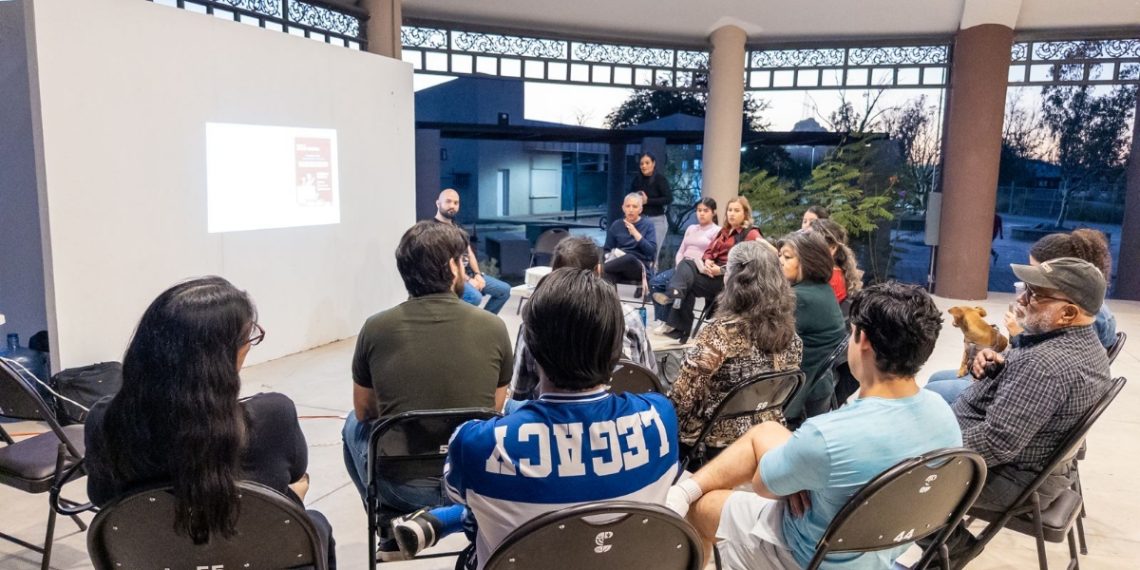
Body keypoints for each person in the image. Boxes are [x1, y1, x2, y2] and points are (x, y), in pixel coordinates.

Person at [391, 269, 680, 566]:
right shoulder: (662, 417)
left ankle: (442, 521)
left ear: (531, 348)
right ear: (615, 348)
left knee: (486, 506)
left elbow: (460, 495)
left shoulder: (477, 443)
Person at [666, 282, 961, 570]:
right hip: (879, 545)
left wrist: (796, 476)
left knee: (702, 508)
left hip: (805, 555)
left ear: (864, 341)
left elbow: (763, 487)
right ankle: (687, 488)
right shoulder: (943, 414)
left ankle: (688, 495)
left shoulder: (827, 435)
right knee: (766, 431)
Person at [84, 277, 337, 568]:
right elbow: (295, 476)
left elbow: (103, 499)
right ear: (223, 356)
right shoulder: (273, 415)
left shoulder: (105, 421)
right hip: (255, 557)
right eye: (249, 338)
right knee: (313, 522)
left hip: (160, 559)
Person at [342, 221, 512, 559]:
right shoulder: (493, 327)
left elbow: (365, 412)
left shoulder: (376, 328)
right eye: (462, 262)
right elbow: (494, 410)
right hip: (473, 480)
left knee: (350, 423)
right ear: (450, 266)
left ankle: (387, 521)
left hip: (400, 486)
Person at [935, 257, 1111, 565]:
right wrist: (1000, 366)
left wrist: (923, 454)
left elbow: (994, 444)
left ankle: (953, 546)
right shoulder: (1084, 344)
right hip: (1038, 471)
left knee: (886, 474)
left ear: (1068, 312)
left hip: (1012, 480)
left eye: (1034, 294)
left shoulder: (1046, 365)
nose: (1021, 299)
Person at [924, 228, 1118, 404]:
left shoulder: (1084, 321)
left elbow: (1050, 369)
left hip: (1023, 390)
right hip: (1017, 376)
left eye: (1036, 279)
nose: (1028, 287)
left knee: (933, 391)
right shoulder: (1087, 312)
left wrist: (1018, 332)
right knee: (935, 379)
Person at [669, 241, 802, 465]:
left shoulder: (720, 333)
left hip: (713, 445)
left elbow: (683, 397)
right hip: (765, 435)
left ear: (735, 279)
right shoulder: (793, 338)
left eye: (726, 270)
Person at [506, 236, 657, 411]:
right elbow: (650, 380)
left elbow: (519, 392)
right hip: (625, 414)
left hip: (552, 420)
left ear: (553, 273)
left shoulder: (535, 320)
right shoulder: (629, 317)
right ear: (598, 270)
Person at [653, 196, 763, 343]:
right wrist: (709, 261)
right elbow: (709, 252)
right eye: (730, 210)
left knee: (686, 281)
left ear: (745, 213)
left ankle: (675, 303)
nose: (731, 213)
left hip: (729, 281)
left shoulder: (750, 233)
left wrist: (722, 270)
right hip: (712, 275)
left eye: (736, 210)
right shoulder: (724, 232)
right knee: (687, 264)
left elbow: (755, 260)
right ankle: (678, 305)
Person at [775, 231, 847, 425]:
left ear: (808, 261)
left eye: (787, 257)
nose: (780, 261)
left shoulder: (800, 298)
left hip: (795, 397)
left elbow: (766, 344)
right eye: (779, 255)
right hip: (818, 389)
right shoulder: (822, 289)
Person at [433, 188, 511, 315]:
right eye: (448, 201)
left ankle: (484, 322)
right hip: (452, 278)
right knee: (475, 297)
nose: (452, 206)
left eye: (456, 203)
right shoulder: (433, 230)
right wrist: (469, 280)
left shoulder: (458, 227)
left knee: (504, 290)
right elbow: (450, 263)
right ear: (438, 203)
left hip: (469, 274)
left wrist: (477, 274)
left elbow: (469, 253)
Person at [650, 198, 720, 326]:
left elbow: (712, 254)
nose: (702, 213)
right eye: (699, 210)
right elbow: (681, 250)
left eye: (705, 210)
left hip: (696, 269)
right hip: (682, 266)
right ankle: (664, 319)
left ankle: (671, 315)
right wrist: (678, 265)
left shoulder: (716, 231)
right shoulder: (691, 228)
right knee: (655, 282)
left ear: (713, 212)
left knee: (675, 285)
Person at [602, 192, 658, 286]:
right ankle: (610, 299)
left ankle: (598, 269)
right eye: (628, 206)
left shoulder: (648, 225)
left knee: (629, 258)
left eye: (634, 207)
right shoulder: (617, 225)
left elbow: (651, 251)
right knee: (607, 277)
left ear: (640, 210)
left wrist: (636, 234)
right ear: (623, 208)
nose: (631, 210)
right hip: (618, 265)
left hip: (639, 266)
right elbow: (607, 249)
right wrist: (608, 256)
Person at [808, 218, 862, 306]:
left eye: (812, 244)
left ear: (833, 248)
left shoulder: (830, 278)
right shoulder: (832, 273)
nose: (805, 248)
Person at [630, 151, 673, 262]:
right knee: (638, 251)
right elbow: (630, 197)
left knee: (653, 253)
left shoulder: (660, 179)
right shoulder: (637, 180)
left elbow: (668, 199)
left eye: (647, 163)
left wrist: (647, 201)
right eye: (641, 164)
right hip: (640, 219)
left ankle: (652, 277)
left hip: (657, 220)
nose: (644, 166)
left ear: (653, 163)